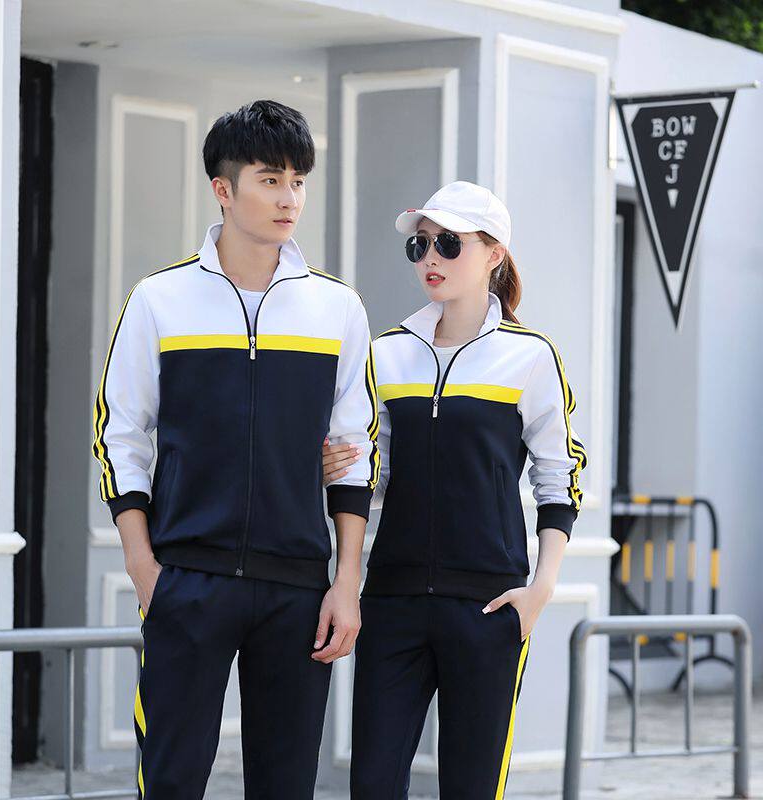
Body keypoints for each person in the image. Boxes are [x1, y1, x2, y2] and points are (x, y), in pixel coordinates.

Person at [91, 99, 380, 799]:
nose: (289, 200)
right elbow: (119, 433)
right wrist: (144, 567)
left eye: (298, 182)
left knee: (286, 785)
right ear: (223, 189)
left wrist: (345, 581)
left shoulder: (337, 308)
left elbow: (355, 449)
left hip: (298, 586)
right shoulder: (159, 299)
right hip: (188, 577)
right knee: (171, 780)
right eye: (270, 180)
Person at [322, 180, 588, 799]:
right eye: (420, 245)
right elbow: (374, 475)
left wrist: (541, 588)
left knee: (472, 786)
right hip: (393, 601)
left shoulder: (529, 356)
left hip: (488, 606)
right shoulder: (388, 353)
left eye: (448, 243)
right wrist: (334, 466)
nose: (430, 258)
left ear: (494, 254)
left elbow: (559, 474)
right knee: (372, 784)